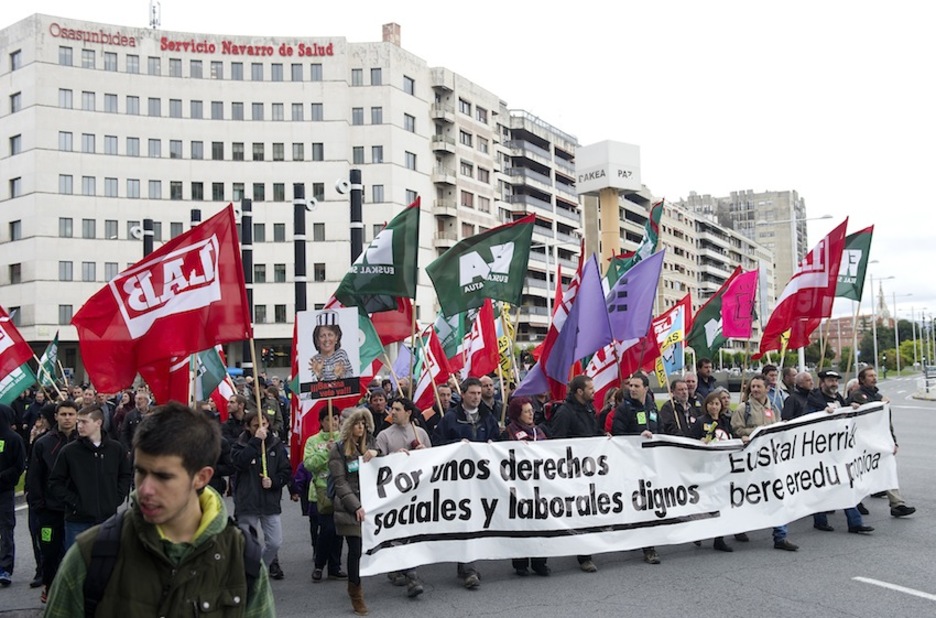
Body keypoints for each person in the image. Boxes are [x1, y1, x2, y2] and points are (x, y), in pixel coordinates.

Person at [43, 401, 275, 616]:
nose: (145, 489)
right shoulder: (91, 554)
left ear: (201, 477)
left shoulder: (243, 558)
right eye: (141, 472)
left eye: (164, 477)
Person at [432, 377, 500, 588]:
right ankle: (468, 568)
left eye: (479, 393)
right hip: (458, 481)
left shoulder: (488, 417)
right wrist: (456, 445)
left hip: (482, 479)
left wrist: (493, 445)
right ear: (462, 394)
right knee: (465, 520)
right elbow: (437, 444)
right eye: (472, 393)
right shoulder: (450, 418)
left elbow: (498, 441)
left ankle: (470, 562)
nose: (477, 397)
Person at [48, 404, 132, 550]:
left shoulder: (115, 449)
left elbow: (124, 475)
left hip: (107, 519)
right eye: (78, 422)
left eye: (84, 422)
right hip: (77, 520)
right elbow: (55, 482)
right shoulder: (69, 451)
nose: (79, 426)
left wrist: (116, 497)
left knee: (106, 564)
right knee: (76, 566)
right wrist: (74, 502)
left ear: (98, 423)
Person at [730, 375, 799, 551]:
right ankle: (739, 527)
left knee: (777, 495)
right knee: (747, 496)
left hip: (770, 459)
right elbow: (737, 429)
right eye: (753, 386)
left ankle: (780, 536)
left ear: (767, 389)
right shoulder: (743, 408)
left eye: (758, 386)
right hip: (751, 462)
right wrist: (759, 432)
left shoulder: (773, 407)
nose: (755, 389)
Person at [804, 369, 875, 534]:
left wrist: (852, 408)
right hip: (821, 452)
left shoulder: (839, 400)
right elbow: (806, 421)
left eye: (836, 381)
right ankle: (820, 520)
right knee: (822, 486)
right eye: (830, 381)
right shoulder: (814, 400)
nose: (834, 384)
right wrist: (821, 414)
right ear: (822, 383)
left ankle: (855, 522)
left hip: (840, 451)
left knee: (846, 484)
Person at [374, 398, 431, 597]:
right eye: (392, 409)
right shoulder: (384, 436)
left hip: (416, 494)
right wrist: (392, 458)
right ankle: (412, 577)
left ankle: (401, 568)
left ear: (408, 412)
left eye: (397, 409)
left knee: (411, 536)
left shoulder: (421, 433)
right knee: (397, 535)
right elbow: (375, 464)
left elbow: (433, 463)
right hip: (394, 496)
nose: (393, 412)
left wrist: (424, 453)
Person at [549, 375, 603, 573]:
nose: (593, 391)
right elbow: (557, 441)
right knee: (579, 512)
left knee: (589, 510)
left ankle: (586, 547)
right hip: (573, 471)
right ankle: (584, 556)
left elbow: (593, 432)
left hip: (591, 468)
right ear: (579, 391)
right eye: (590, 388)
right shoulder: (565, 412)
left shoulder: (589, 409)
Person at [25, 400, 78, 600]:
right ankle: (50, 584)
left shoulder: (83, 442)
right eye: (63, 414)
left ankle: (70, 591)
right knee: (49, 552)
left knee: (74, 553)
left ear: (76, 416)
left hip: (75, 510)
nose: (67, 418)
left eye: (71, 414)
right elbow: (34, 477)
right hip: (49, 510)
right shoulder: (43, 443)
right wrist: (38, 505)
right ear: (55, 416)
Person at [846, 367, 916, 518]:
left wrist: (893, 441)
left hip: (879, 442)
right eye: (870, 376)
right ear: (862, 380)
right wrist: (878, 403)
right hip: (863, 443)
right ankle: (855, 502)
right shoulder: (857, 396)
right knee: (861, 473)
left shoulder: (879, 396)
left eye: (875, 375)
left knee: (888, 468)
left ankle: (897, 504)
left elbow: (886, 423)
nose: (874, 378)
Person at [329, 407, 378, 616]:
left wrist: (378, 453)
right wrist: (355, 505)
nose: (361, 427)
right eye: (357, 424)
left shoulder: (371, 444)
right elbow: (340, 483)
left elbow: (387, 463)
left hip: (372, 504)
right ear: (350, 427)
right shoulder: (338, 450)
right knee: (355, 550)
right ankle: (355, 592)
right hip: (349, 508)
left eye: (363, 424)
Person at [231, 411, 292, 580]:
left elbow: (286, 471)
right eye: (256, 426)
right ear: (248, 427)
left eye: (264, 424)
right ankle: (251, 577)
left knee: (274, 542)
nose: (261, 428)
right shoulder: (241, 444)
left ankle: (259, 570)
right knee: (249, 546)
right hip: (248, 501)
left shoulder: (276, 444)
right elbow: (239, 463)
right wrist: (255, 441)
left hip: (269, 501)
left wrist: (273, 481)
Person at [610, 373, 664, 564]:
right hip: (632, 465)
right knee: (638, 504)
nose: (632, 389)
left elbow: (660, 429)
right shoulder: (624, 408)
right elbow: (618, 434)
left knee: (648, 504)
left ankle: (648, 544)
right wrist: (638, 436)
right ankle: (645, 545)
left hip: (650, 464)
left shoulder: (651, 405)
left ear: (646, 388)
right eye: (630, 385)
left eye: (636, 386)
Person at [505, 397, 551, 576]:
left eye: (531, 410)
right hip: (519, 485)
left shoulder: (538, 431)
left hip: (539, 484)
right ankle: (521, 563)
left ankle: (540, 562)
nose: (531, 413)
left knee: (540, 523)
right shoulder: (509, 432)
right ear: (517, 414)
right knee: (522, 523)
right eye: (526, 411)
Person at [303, 406, 347, 583]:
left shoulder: (344, 439)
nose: (334, 422)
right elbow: (309, 464)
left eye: (336, 418)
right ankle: (320, 564)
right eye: (329, 419)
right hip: (321, 491)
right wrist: (325, 452)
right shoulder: (312, 441)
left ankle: (335, 568)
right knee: (327, 529)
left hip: (341, 490)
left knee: (339, 530)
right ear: (321, 422)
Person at [689, 392, 734, 552]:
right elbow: (690, 441)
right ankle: (698, 531)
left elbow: (732, 438)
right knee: (704, 501)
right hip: (706, 468)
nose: (714, 407)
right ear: (706, 405)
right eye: (711, 404)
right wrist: (700, 442)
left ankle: (719, 538)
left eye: (717, 404)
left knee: (721, 501)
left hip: (722, 468)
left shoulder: (725, 421)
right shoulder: (701, 422)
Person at [0, 404, 27, 587]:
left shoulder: (14, 439)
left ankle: (5, 568)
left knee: (6, 529)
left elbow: (19, 466)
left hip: (4, 491)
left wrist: (2, 477)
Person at [308, 314, 353, 382]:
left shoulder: (341, 354)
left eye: (330, 335)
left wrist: (342, 375)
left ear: (336, 338)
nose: (327, 339)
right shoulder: (315, 360)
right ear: (317, 340)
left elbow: (351, 379)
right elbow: (311, 387)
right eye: (322, 336)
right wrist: (318, 375)